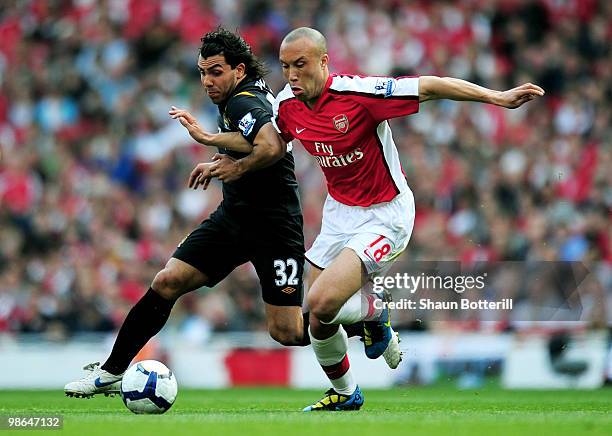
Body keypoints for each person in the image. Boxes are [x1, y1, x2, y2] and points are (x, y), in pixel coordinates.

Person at [208, 27, 545, 411]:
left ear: (323, 61)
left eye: (301, 65)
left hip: (385, 215)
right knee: (318, 320)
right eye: (285, 67)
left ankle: (375, 310)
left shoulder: (360, 94)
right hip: (339, 215)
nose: (292, 75)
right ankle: (346, 393)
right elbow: (265, 141)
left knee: (321, 302)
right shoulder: (287, 104)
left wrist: (496, 97)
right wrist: (212, 140)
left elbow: (430, 86)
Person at [64, 28, 307, 398]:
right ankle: (112, 371)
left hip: (275, 227)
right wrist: (217, 145)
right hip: (234, 219)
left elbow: (272, 145)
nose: (207, 81)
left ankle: (362, 322)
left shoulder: (243, 100)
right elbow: (252, 138)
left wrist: (227, 158)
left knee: (286, 331)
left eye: (215, 72)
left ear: (238, 70)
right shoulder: (246, 94)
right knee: (167, 281)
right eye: (202, 72)